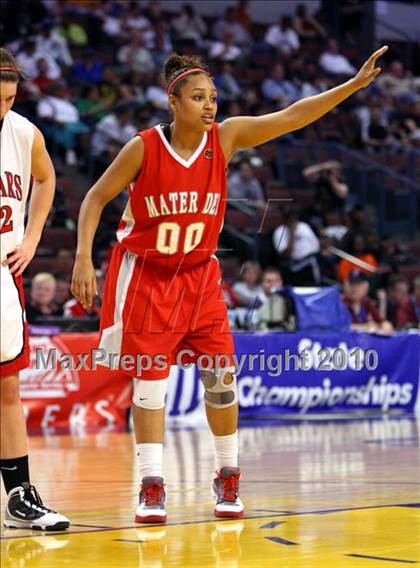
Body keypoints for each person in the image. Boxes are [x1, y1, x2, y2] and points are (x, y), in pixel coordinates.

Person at [71, 46, 388, 523]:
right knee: (151, 385)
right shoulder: (143, 147)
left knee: (221, 380)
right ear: (173, 102)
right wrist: (81, 259)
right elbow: (95, 198)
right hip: (149, 276)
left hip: (199, 276)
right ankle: (152, 484)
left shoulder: (227, 137)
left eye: (213, 97)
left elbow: (292, 116)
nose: (209, 105)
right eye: (198, 97)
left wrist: (350, 87)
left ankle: (228, 476)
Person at [0, 48, 69, 530]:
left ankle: (19, 495)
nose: (3, 107)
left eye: (9, 98)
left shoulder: (23, 133)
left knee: (7, 386)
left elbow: (46, 180)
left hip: (3, 272)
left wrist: (32, 236)